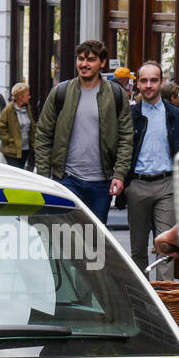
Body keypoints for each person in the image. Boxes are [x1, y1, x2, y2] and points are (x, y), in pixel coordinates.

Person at [33, 39, 133, 223]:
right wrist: (44, 175)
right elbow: (43, 135)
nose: (84, 64)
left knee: (93, 242)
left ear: (102, 63)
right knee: (62, 237)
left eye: (91, 59)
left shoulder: (116, 95)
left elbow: (126, 137)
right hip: (66, 179)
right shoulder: (61, 92)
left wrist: (119, 173)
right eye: (80, 59)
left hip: (101, 183)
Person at [125, 59, 179, 276]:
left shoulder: (176, 115)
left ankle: (165, 302)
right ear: (138, 84)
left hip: (166, 184)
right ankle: (144, 303)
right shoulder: (130, 116)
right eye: (144, 81)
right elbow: (120, 150)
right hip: (137, 186)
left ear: (161, 82)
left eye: (153, 80)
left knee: (166, 247)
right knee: (138, 249)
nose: (149, 85)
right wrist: (124, 183)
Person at [0, 82, 35, 170]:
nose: (30, 97)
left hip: (25, 148)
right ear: (20, 97)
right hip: (12, 149)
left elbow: (31, 127)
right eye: (27, 95)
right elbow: (1, 128)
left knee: (21, 171)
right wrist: (10, 140)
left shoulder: (27, 108)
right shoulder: (8, 109)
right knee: (16, 171)